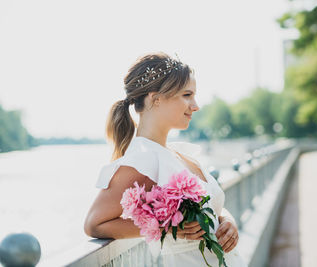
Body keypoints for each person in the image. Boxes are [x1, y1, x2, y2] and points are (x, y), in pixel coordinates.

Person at [84, 52, 247, 266]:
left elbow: (211, 206)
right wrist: (167, 227)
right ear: (155, 98)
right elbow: (95, 224)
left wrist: (227, 221)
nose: (195, 105)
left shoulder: (178, 155)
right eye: (187, 95)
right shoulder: (143, 159)